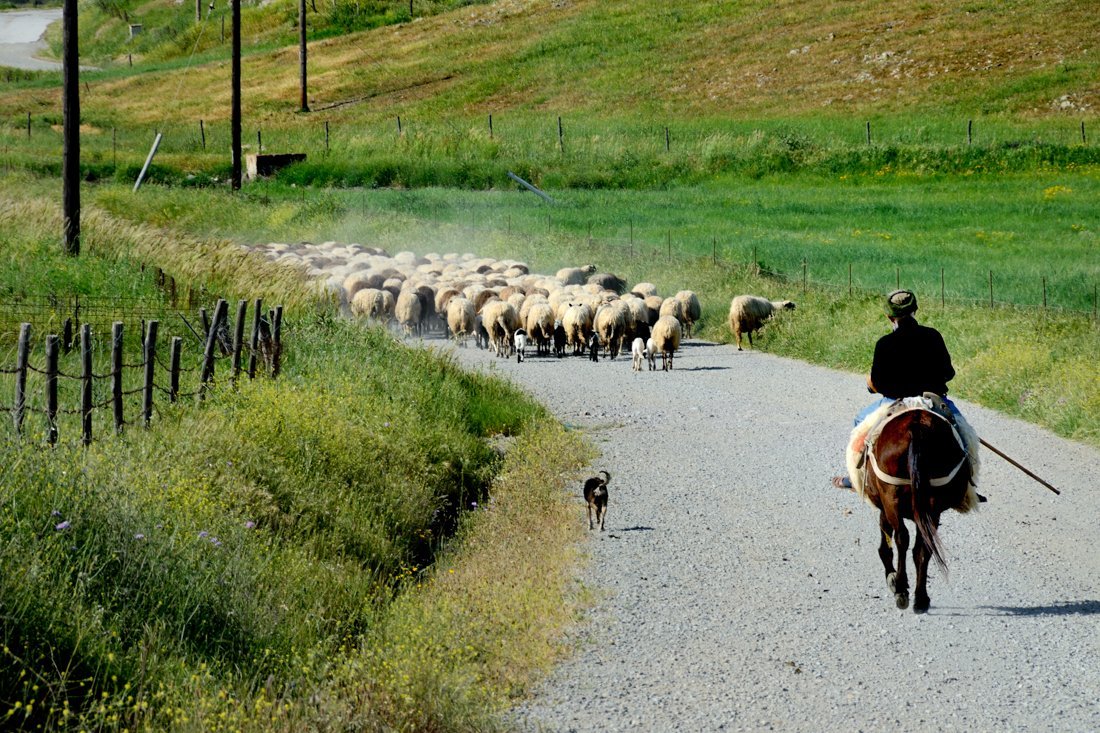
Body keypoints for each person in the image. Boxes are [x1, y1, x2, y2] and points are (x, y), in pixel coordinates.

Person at [833, 289, 963, 491]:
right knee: (964, 432)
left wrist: (873, 386)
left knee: (860, 421)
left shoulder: (884, 344)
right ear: (915, 310)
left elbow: (878, 383)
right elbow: (948, 373)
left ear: (889, 316)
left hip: (894, 403)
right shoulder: (933, 336)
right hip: (932, 401)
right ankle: (966, 485)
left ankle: (857, 478)